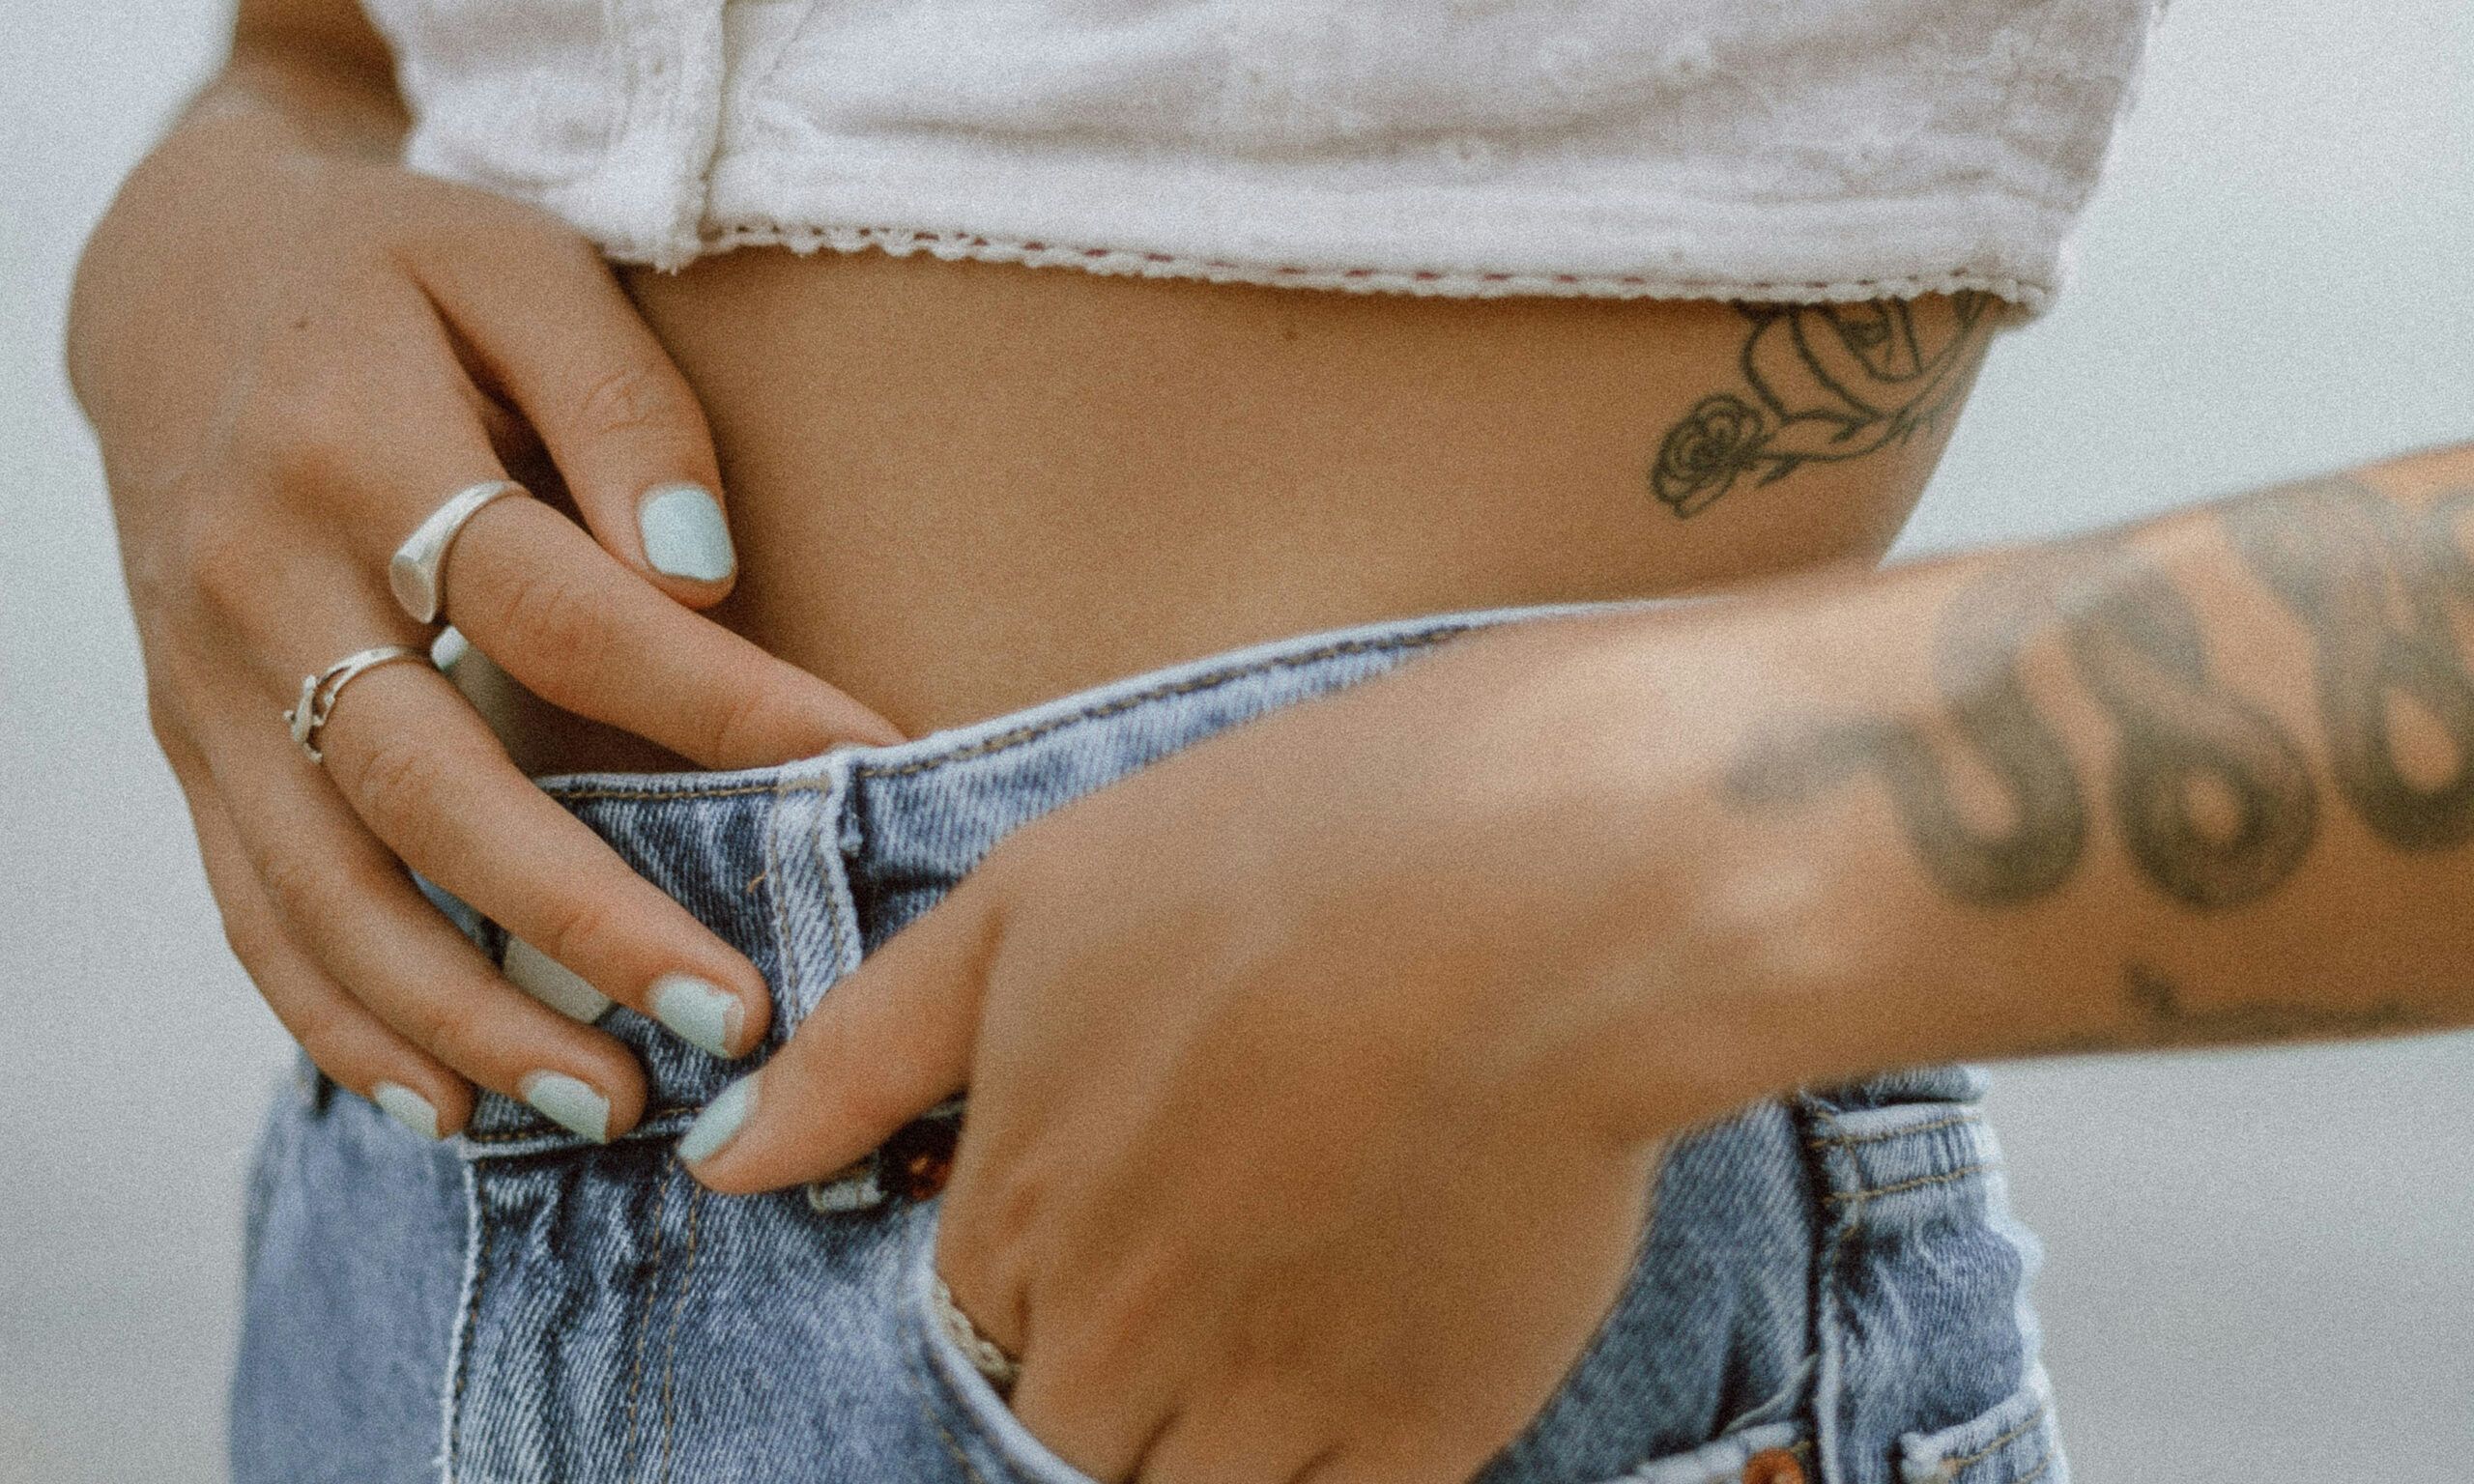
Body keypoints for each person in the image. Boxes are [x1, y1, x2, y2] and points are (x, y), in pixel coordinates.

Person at [62, 0, 2468, 1480]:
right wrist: (212, 205)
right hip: (430, 1237)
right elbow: (345, 46)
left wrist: (1650, 865)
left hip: (1380, 1276)